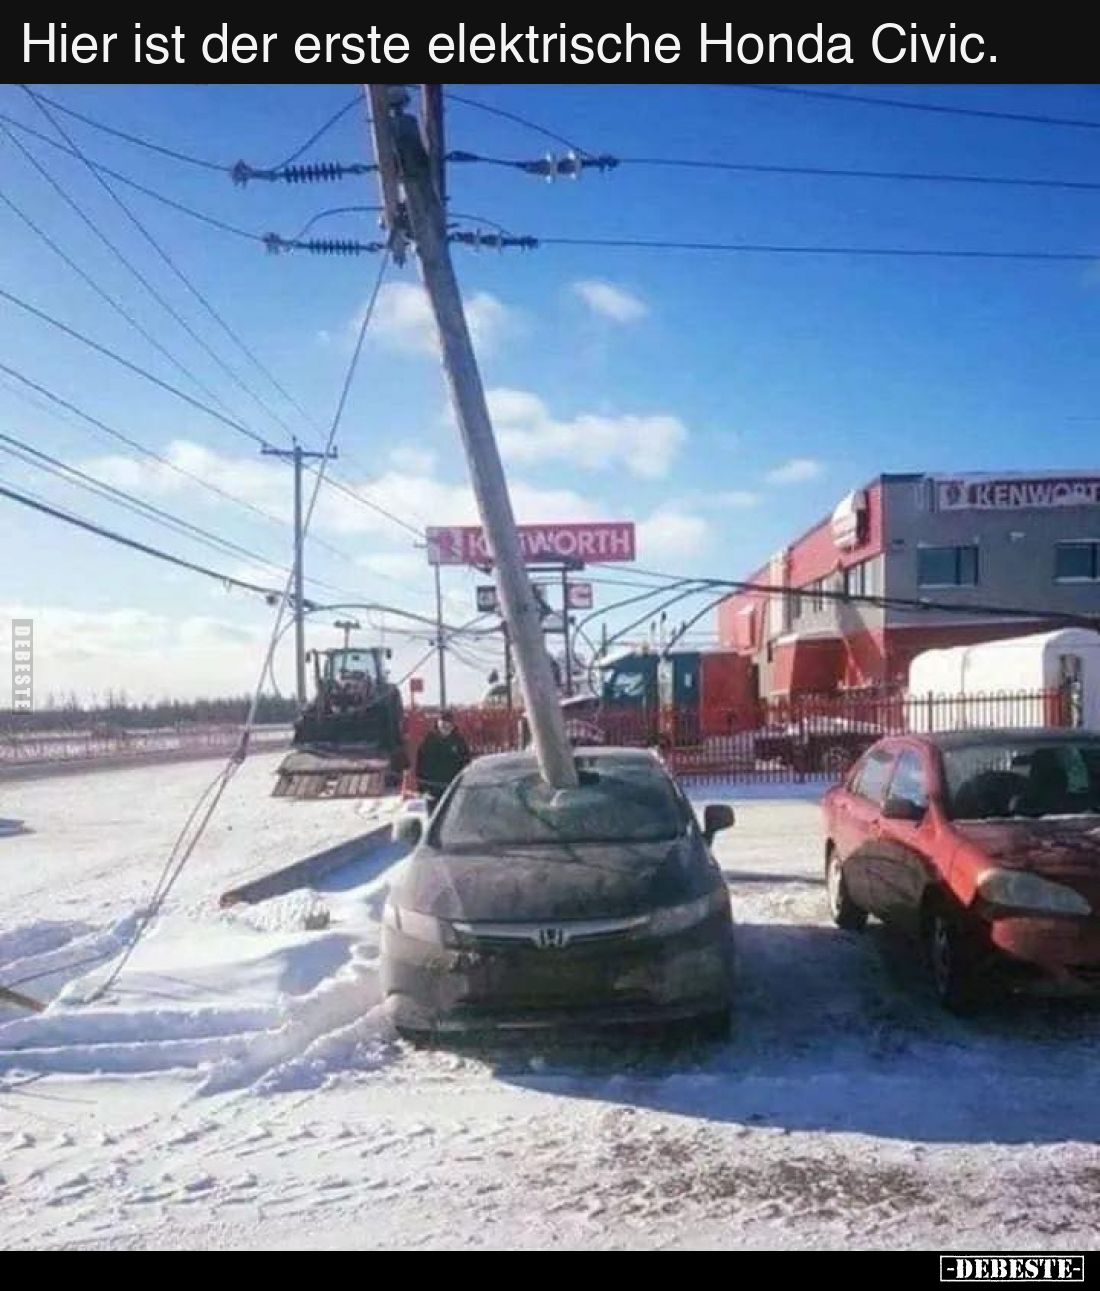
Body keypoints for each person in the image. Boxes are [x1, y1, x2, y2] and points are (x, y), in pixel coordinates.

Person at [415, 710, 471, 813]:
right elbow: (420, 765)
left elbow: (466, 764)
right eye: (443, 721)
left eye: (449, 722)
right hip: (433, 789)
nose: (446, 725)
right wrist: (422, 789)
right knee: (434, 818)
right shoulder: (429, 741)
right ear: (438, 722)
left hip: (453, 788)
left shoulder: (459, 741)